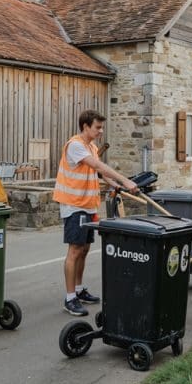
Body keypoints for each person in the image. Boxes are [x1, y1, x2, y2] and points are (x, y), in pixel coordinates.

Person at [53, 110, 138, 316]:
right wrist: (125, 179)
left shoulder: (90, 146)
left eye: (101, 127)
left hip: (89, 204)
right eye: (97, 127)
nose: (101, 131)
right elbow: (98, 165)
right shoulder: (75, 145)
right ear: (85, 126)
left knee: (85, 249)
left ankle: (80, 290)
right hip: (74, 205)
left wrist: (116, 185)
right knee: (75, 250)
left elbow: (97, 172)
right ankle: (70, 297)